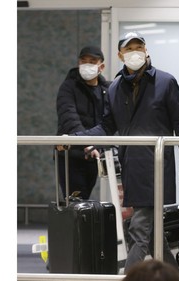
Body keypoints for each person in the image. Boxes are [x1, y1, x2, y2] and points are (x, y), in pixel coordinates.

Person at [72, 31, 179, 272]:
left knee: (139, 229)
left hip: (157, 166)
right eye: (128, 49)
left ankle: (129, 278)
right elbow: (108, 127)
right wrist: (77, 138)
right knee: (151, 233)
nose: (134, 53)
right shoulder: (115, 88)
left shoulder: (165, 82)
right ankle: (177, 275)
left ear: (146, 50)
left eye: (138, 47)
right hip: (131, 165)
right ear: (120, 55)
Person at [55, 45, 110, 199]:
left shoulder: (107, 90)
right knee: (74, 200)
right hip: (70, 154)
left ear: (101, 66)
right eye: (83, 61)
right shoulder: (69, 86)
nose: (87, 65)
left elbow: (108, 122)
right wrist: (87, 143)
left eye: (92, 61)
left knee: (84, 199)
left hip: (92, 155)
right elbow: (69, 118)